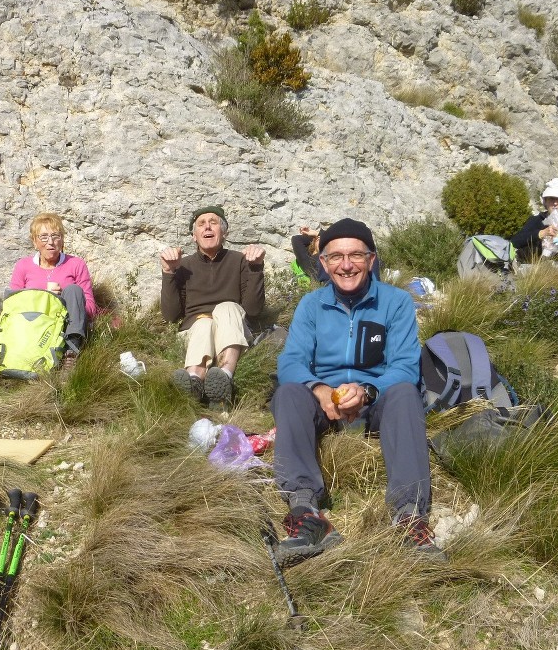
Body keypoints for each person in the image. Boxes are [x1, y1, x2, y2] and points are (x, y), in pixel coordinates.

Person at [270, 218, 444, 568]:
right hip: (324, 403)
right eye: (335, 257)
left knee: (405, 393)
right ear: (322, 263)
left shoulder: (395, 302)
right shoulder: (311, 305)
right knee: (288, 392)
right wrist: (319, 390)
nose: (345, 265)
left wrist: (367, 390)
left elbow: (405, 364)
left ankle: (409, 517)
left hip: (375, 402)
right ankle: (306, 512)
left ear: (371, 259)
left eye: (355, 256)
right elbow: (291, 361)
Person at [160, 206, 265, 408]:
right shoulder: (184, 266)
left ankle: (224, 376)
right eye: (201, 224)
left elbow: (253, 310)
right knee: (204, 322)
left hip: (232, 327)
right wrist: (169, 272)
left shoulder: (240, 260)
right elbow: (171, 315)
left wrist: (256, 268)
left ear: (224, 232)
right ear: (194, 236)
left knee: (227, 308)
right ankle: (194, 383)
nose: (207, 226)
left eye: (213, 222)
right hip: (196, 330)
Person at [7, 212, 97, 365]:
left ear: (62, 240)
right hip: (32, 326)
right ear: (34, 241)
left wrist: (64, 299)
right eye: (43, 237)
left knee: (73, 290)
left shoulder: (76, 264)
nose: (51, 242)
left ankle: (71, 354)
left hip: (65, 326)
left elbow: (90, 309)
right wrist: (43, 297)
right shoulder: (23, 266)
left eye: (56, 236)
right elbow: (12, 305)